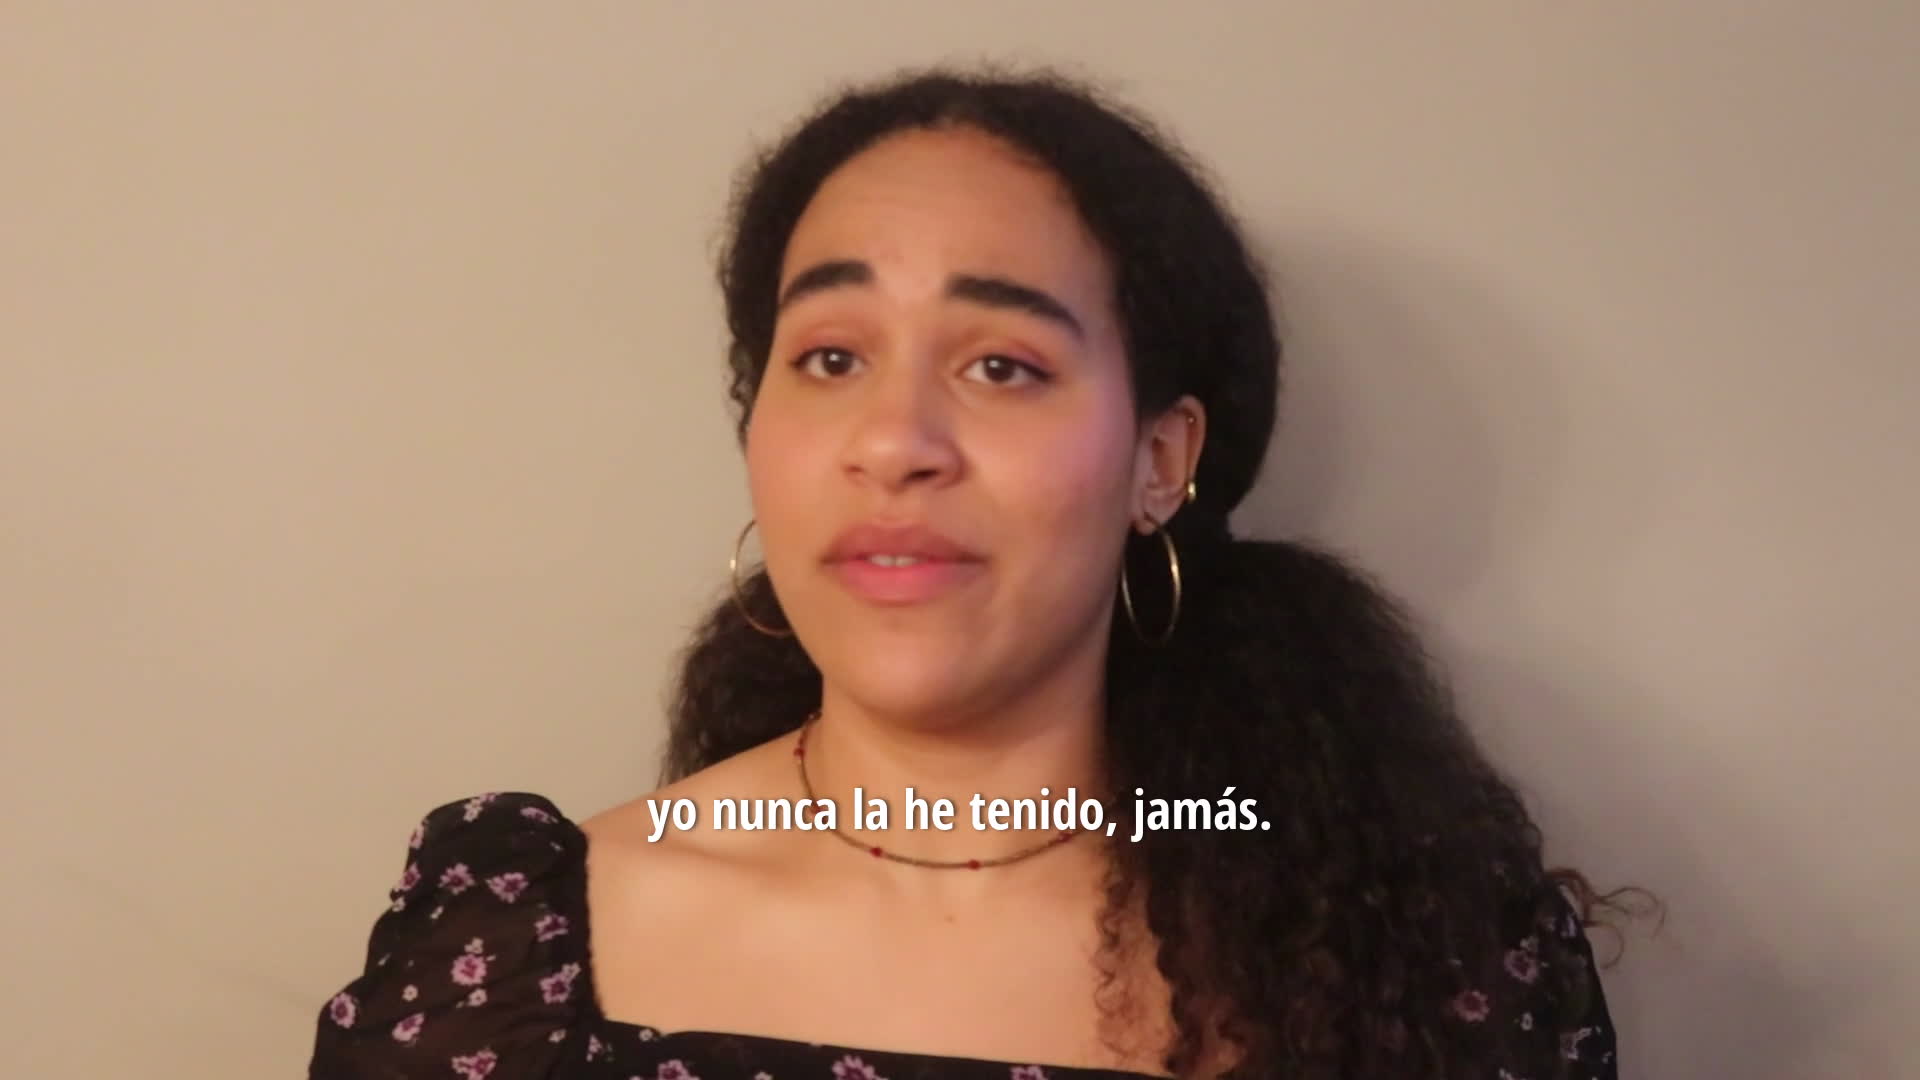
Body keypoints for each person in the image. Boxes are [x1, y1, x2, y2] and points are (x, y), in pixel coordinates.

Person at [308, 67, 1632, 1080]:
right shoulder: (512, 957)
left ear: (1159, 463)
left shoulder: (1428, 959)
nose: (893, 441)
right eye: (830, 358)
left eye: (1003, 365)